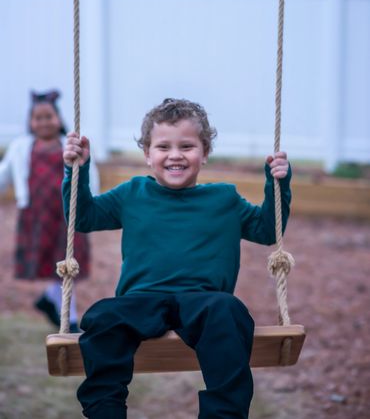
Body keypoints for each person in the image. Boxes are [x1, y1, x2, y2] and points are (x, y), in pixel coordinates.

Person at [63, 97, 292, 419]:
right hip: (141, 299)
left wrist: (277, 184)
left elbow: (267, 230)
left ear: (205, 153)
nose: (175, 155)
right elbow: (84, 218)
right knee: (103, 317)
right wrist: (77, 170)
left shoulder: (223, 199)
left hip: (205, 300)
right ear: (147, 154)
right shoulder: (132, 194)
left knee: (229, 311)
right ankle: (105, 410)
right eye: (163, 147)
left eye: (187, 146)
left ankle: (223, 414)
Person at [0, 90, 99, 331]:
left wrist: (91, 201)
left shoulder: (70, 144)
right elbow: (5, 174)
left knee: (68, 264)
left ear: (59, 119)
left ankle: (68, 316)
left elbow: (90, 173)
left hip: (67, 214)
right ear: (30, 122)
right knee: (57, 266)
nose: (44, 122)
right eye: (38, 118)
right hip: (38, 216)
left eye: (49, 117)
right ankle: (54, 302)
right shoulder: (22, 146)